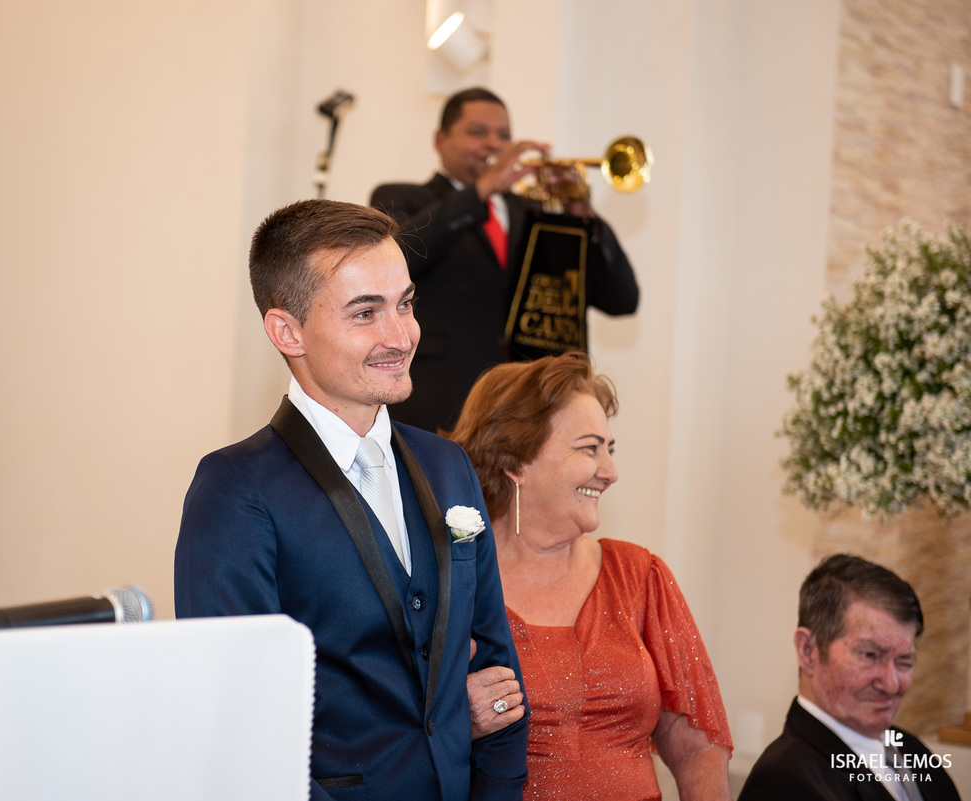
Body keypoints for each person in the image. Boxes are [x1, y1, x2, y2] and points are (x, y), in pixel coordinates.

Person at [175, 199, 528, 800]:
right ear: (288, 332)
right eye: (365, 313)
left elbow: (499, 677)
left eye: (406, 303)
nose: (402, 335)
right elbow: (237, 720)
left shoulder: (448, 467)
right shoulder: (235, 490)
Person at [448, 353, 732, 800]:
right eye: (589, 448)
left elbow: (696, 744)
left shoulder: (640, 575)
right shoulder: (454, 582)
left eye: (610, 449)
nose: (611, 472)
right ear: (517, 461)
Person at [370, 87, 639, 434]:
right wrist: (483, 189)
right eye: (478, 132)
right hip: (438, 402)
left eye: (504, 135)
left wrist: (580, 216)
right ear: (440, 140)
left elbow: (622, 299)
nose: (494, 145)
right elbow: (399, 258)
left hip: (525, 408)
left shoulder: (534, 213)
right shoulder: (401, 198)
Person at [737, 555, 960, 801]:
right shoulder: (781, 782)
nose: (892, 684)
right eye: (869, 654)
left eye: (904, 661)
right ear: (808, 651)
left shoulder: (911, 749)